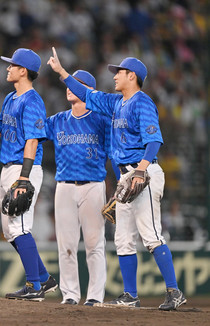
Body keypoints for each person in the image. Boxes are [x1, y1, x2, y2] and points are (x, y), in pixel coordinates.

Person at [48, 49, 186, 311]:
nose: (114, 76)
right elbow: (88, 94)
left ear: (131, 76)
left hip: (142, 173)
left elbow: (154, 139)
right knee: (122, 239)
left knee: (151, 235)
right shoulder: (116, 103)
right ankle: (130, 294)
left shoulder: (142, 102)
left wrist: (140, 171)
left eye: (118, 72)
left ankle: (174, 291)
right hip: (126, 176)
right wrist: (62, 73)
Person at [0, 48, 58, 301]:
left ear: (23, 71)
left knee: (20, 228)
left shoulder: (32, 100)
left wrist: (24, 177)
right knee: (10, 231)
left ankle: (33, 286)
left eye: (12, 65)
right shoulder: (11, 98)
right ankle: (43, 278)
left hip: (23, 168)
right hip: (8, 167)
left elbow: (33, 140)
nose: (7, 68)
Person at [45, 70, 114, 306]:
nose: (69, 86)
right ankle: (70, 294)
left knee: (95, 244)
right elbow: (33, 134)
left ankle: (95, 296)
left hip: (93, 185)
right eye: (69, 82)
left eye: (77, 83)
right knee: (66, 246)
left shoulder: (102, 120)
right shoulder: (57, 120)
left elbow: (114, 153)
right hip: (64, 185)